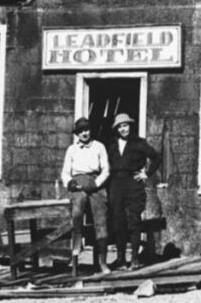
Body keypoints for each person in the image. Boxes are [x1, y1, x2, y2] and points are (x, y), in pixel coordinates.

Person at [107, 113, 162, 270]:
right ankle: (121, 260)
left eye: (125, 125)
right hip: (116, 184)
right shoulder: (112, 145)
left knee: (134, 221)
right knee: (118, 222)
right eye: (120, 127)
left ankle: (135, 259)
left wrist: (146, 173)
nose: (123, 129)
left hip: (133, 184)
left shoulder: (139, 143)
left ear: (130, 126)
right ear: (116, 129)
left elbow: (156, 157)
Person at [61, 117, 111, 275]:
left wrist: (96, 184)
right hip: (78, 183)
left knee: (101, 221)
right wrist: (70, 183)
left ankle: (102, 262)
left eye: (87, 130)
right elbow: (65, 172)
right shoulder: (72, 149)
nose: (84, 133)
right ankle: (77, 248)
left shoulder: (99, 147)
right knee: (77, 212)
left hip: (95, 184)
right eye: (81, 131)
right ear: (77, 133)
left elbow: (106, 170)